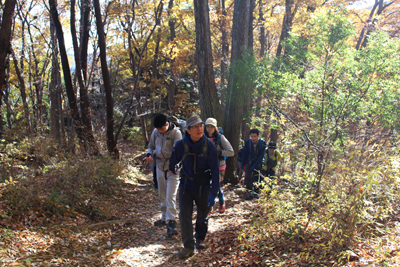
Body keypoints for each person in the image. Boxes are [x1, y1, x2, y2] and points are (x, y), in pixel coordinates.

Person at [169, 115, 220, 259]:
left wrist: (213, 194)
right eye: (196, 127)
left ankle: (200, 238)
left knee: (203, 215)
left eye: (201, 126)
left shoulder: (209, 146)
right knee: (184, 215)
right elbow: (173, 160)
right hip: (186, 185)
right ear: (189, 130)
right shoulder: (181, 145)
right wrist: (172, 167)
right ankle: (188, 246)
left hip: (203, 187)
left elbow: (215, 171)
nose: (200, 129)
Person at [146, 114, 182, 237]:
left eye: (161, 129)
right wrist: (149, 154)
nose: (159, 131)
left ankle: (171, 222)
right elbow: (150, 146)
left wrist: (175, 165)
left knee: (170, 195)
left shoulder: (176, 133)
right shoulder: (155, 132)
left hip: (172, 168)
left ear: (167, 124)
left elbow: (179, 151)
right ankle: (164, 217)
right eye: (158, 129)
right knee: (162, 194)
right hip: (159, 166)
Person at [204, 118, 234, 213]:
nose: (209, 128)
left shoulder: (221, 138)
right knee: (207, 185)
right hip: (206, 166)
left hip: (219, 166)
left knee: (216, 186)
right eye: (208, 126)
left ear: (215, 128)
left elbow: (231, 152)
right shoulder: (202, 138)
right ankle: (210, 204)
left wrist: (220, 152)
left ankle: (221, 201)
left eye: (211, 127)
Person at [240, 129, 267, 200]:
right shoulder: (248, 142)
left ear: (258, 136)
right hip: (249, 162)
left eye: (254, 136)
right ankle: (249, 193)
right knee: (247, 177)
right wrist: (243, 164)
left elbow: (261, 156)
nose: (253, 138)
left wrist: (255, 166)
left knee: (257, 178)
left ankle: (256, 193)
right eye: (252, 136)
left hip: (258, 163)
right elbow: (244, 153)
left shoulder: (263, 143)